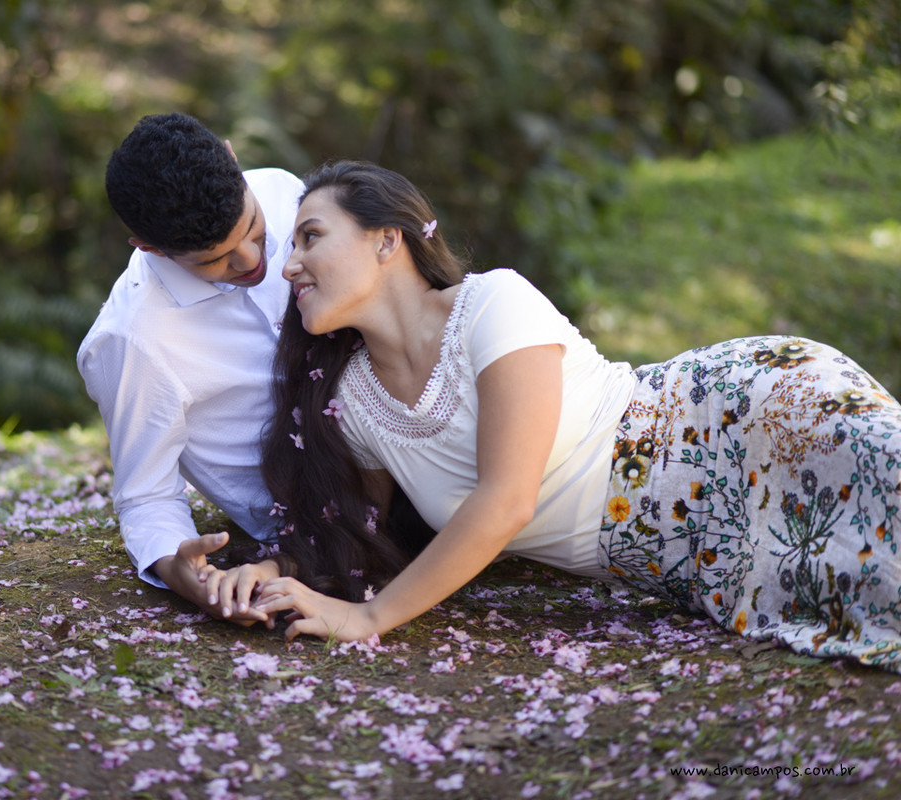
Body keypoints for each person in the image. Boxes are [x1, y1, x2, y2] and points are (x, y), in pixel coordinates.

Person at [205, 160, 901, 673]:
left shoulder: (492, 305)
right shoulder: (352, 402)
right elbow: (358, 533)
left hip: (738, 418)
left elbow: (507, 499)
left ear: (387, 240)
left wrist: (371, 618)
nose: (289, 267)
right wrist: (268, 570)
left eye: (310, 238)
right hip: (701, 549)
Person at [76, 113, 304, 623]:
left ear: (233, 158)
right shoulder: (132, 340)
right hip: (318, 515)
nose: (250, 259)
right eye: (214, 260)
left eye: (252, 227)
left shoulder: (283, 193)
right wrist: (184, 576)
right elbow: (146, 496)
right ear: (150, 248)